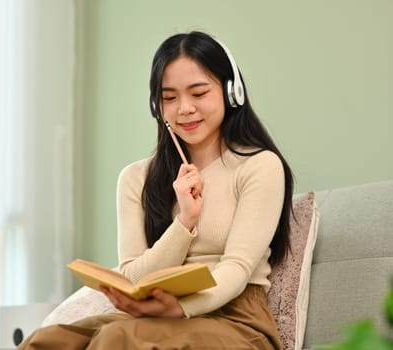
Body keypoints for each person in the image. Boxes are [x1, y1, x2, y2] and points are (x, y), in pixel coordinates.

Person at [18, 30, 294, 350]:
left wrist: (182, 308)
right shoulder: (135, 178)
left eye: (199, 92)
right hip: (154, 319)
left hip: (234, 321)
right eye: (169, 97)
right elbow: (133, 276)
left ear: (232, 92)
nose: (184, 109)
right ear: (156, 105)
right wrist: (184, 223)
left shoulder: (259, 166)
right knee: (47, 341)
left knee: (117, 338)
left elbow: (238, 268)